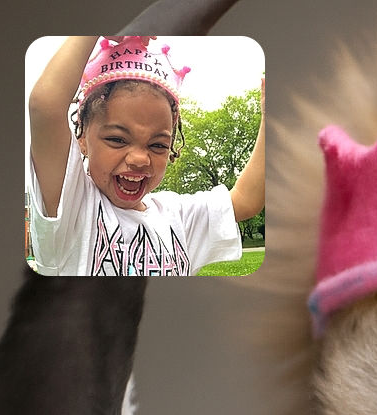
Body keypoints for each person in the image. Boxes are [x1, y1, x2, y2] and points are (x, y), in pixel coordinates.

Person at [27, 34, 265, 275]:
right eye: (117, 139)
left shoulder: (177, 216)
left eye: (158, 145)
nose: (140, 159)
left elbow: (246, 199)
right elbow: (45, 106)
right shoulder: (72, 207)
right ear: (82, 141)